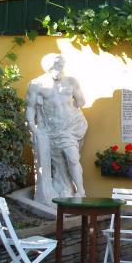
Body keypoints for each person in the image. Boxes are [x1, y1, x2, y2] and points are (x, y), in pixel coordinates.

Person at [26, 53, 88, 206]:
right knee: (59, 163)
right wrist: (33, 127)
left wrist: (74, 97)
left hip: (71, 126)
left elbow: (81, 102)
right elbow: (30, 107)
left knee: (72, 158)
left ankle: (80, 192)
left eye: (61, 63)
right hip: (52, 129)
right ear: (48, 65)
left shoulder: (71, 81)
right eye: (56, 63)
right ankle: (65, 188)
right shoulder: (37, 84)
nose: (60, 66)